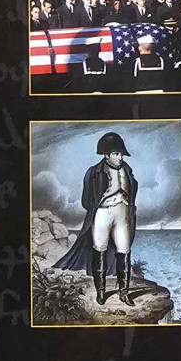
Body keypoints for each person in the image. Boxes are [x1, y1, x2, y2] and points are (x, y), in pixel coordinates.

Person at [54, 131, 138, 307]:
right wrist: (104, 204)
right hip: (102, 214)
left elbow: (132, 194)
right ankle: (100, 291)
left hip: (122, 215)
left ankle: (123, 292)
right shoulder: (94, 172)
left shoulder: (128, 171)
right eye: (116, 153)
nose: (120, 157)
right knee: (99, 250)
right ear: (106, 155)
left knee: (124, 251)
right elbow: (86, 201)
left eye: (121, 154)